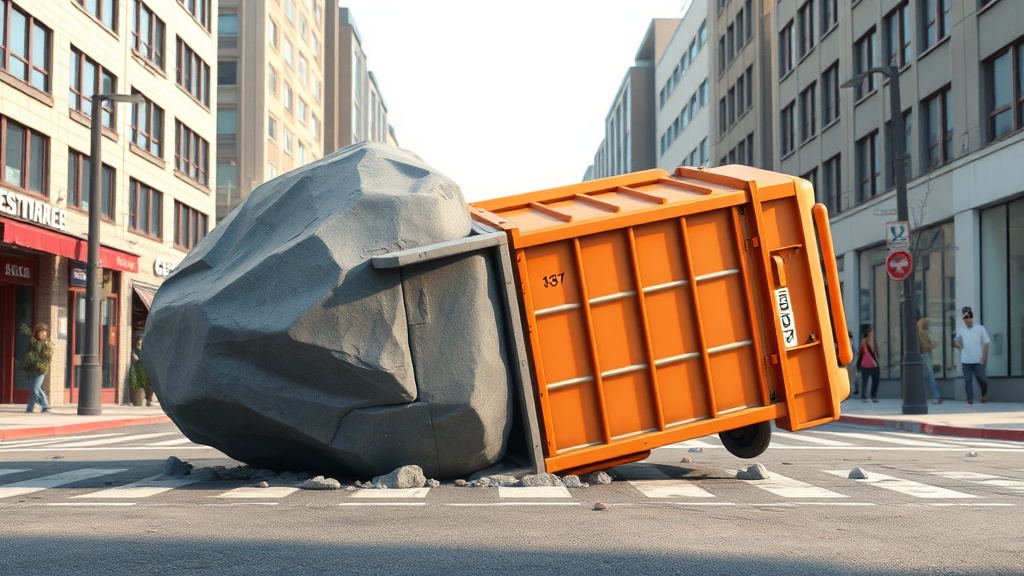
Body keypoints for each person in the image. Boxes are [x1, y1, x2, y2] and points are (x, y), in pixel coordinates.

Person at [953, 306, 990, 406]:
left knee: (981, 378)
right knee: (967, 380)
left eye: (969, 318)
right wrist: (959, 346)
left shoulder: (980, 329)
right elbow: (955, 342)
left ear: (972, 318)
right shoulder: (961, 330)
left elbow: (986, 343)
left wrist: (984, 358)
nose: (968, 321)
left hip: (978, 360)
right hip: (966, 360)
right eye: (965, 319)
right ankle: (969, 400)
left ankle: (984, 394)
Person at [21, 323, 53, 413]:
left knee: (35, 388)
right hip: (32, 368)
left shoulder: (48, 344)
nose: (42, 334)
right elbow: (29, 354)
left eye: (43, 332)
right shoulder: (33, 343)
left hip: (41, 370)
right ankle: (30, 407)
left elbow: (48, 358)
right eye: (40, 332)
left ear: (47, 333)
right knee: (34, 388)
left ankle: (44, 405)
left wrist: (43, 365)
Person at [917, 316, 942, 404]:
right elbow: (926, 345)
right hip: (925, 354)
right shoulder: (921, 331)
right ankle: (936, 395)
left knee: (926, 375)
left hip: (923, 354)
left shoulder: (920, 330)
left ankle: (931, 395)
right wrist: (934, 345)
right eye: (926, 322)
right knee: (930, 374)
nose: (927, 324)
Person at [130, 336, 155, 406]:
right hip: (138, 370)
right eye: (139, 342)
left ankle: (149, 399)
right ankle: (144, 400)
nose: (140, 344)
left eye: (141, 342)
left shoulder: (145, 351)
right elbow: (135, 361)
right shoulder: (134, 351)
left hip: (146, 370)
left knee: (150, 384)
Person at [858, 325, 880, 402]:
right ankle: (864, 395)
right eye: (870, 332)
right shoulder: (863, 341)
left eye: (872, 332)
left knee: (876, 379)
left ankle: (873, 395)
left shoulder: (874, 342)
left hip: (874, 364)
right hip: (865, 364)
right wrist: (859, 363)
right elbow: (860, 352)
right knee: (865, 380)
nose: (871, 333)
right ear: (868, 333)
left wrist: (877, 361)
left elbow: (877, 353)